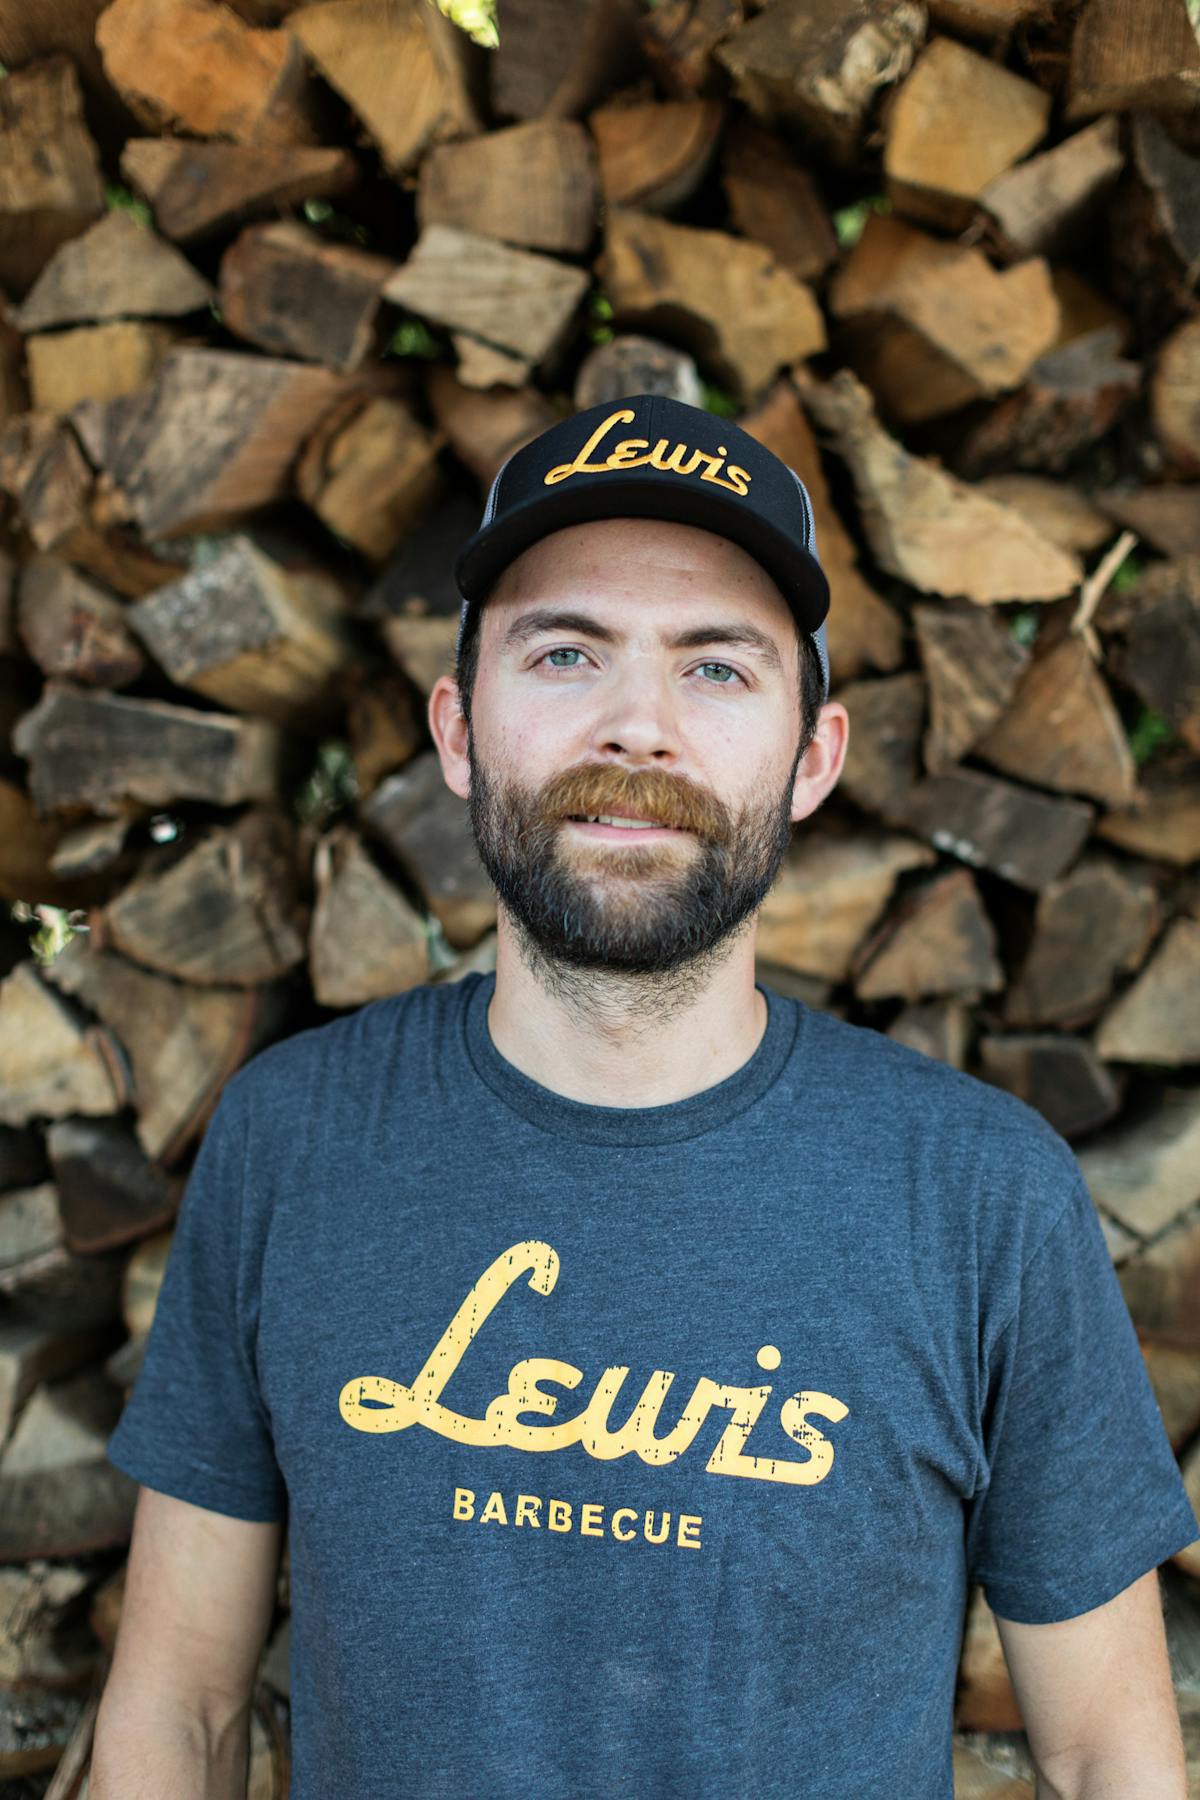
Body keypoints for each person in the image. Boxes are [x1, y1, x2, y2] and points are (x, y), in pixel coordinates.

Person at [94, 394, 1198, 1800]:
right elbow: (178, 1714)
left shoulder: (980, 1195)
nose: (639, 726)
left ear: (813, 758)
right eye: (565, 653)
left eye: (718, 669)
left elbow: (1111, 1757)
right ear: (457, 728)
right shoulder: (294, 1139)